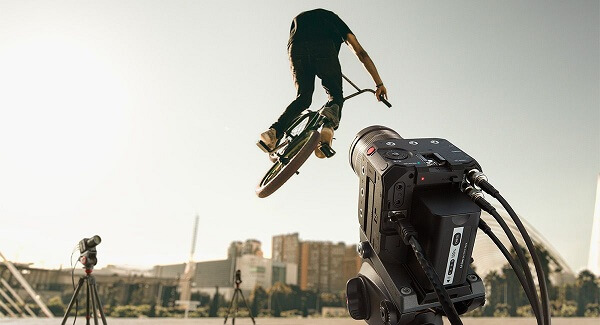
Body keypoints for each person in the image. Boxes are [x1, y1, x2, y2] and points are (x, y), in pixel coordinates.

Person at [258, 8, 388, 158]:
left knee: (303, 97)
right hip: (323, 47)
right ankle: (327, 129)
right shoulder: (335, 21)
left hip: (296, 47)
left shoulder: (301, 20)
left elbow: (301, 44)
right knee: (336, 96)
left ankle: (273, 132)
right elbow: (360, 52)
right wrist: (379, 84)